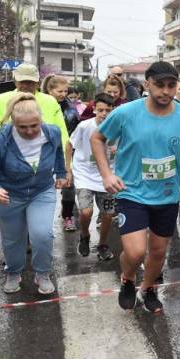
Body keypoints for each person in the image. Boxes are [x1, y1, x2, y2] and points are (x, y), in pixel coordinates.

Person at [91, 61, 180, 314]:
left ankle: (148, 288)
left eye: (171, 86)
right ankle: (128, 278)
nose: (166, 91)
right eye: (159, 85)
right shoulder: (126, 113)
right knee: (135, 253)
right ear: (147, 84)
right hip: (131, 192)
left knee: (158, 252)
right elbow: (97, 137)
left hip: (167, 196)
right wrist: (106, 174)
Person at [0, 94, 66, 294]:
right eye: (22, 127)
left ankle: (42, 273)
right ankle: (13, 272)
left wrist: (61, 172)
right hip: (10, 195)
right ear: (13, 123)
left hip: (42, 190)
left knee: (42, 234)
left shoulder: (52, 133)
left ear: (41, 119)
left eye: (34, 125)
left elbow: (59, 150)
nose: (29, 131)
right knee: (13, 238)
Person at [67, 93, 118, 261]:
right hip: (84, 174)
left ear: (113, 111)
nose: (104, 114)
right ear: (94, 109)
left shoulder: (118, 128)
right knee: (86, 211)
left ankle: (103, 244)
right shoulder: (84, 126)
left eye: (108, 110)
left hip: (107, 176)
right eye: (101, 110)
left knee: (108, 214)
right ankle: (84, 235)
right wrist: (68, 169)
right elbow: (69, 144)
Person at [0, 63, 68, 149]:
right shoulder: (0, 100)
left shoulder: (50, 102)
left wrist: (66, 160)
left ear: (38, 83)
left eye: (31, 82)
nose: (26, 86)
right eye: (22, 82)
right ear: (15, 81)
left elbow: (62, 134)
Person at [43, 74, 79, 232]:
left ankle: (68, 216)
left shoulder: (70, 108)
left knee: (68, 187)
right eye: (60, 91)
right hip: (43, 153)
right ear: (49, 90)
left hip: (66, 151)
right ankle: (39, 224)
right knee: (43, 191)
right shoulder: (39, 104)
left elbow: (75, 131)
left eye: (66, 91)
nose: (63, 94)